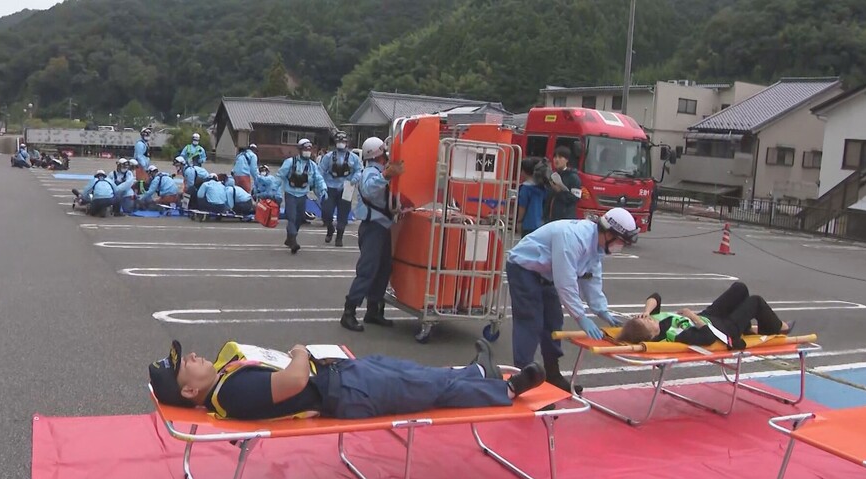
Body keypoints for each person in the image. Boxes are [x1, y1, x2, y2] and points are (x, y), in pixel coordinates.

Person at [149, 339, 546, 420]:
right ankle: (505, 390)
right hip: (343, 391)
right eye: (187, 363)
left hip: (342, 374)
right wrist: (300, 353)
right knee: (425, 389)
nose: (194, 356)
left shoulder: (224, 379)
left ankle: (476, 371)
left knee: (415, 373)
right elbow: (293, 384)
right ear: (189, 390)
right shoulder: (231, 392)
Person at [506, 207, 638, 392]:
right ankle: (522, 379)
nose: (620, 246)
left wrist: (601, 310)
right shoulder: (574, 238)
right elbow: (566, 282)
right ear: (608, 233)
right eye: (620, 241)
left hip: (547, 274)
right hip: (524, 268)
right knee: (530, 322)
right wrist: (581, 317)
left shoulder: (596, 247)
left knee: (553, 322)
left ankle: (553, 374)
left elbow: (591, 279)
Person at [340, 137, 404, 332]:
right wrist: (386, 175)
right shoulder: (370, 172)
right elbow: (368, 188)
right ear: (379, 153)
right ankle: (349, 312)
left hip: (382, 227)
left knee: (384, 268)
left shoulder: (376, 171)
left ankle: (373, 310)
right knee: (368, 270)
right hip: (373, 227)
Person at [616, 282, 794, 348]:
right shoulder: (674, 335)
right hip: (722, 330)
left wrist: (646, 312)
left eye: (646, 319)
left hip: (709, 316)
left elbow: (655, 296)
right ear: (652, 335)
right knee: (755, 301)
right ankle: (779, 328)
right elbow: (708, 337)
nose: (649, 320)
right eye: (648, 322)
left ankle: (747, 328)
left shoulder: (655, 321)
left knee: (740, 289)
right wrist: (692, 317)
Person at [276, 138, 327, 254]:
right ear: (299, 150)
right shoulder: (290, 162)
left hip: (303, 195)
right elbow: (280, 176)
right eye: (305, 149)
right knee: (292, 217)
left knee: (299, 218)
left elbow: (318, 179)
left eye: (310, 149)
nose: (307, 151)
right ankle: (293, 241)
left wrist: (323, 190)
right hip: (290, 194)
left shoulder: (313, 166)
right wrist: (275, 191)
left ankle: (290, 238)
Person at [319, 131, 363, 247]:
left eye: (343, 141)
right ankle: (330, 228)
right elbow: (321, 171)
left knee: (343, 214)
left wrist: (355, 179)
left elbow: (359, 170)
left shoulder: (353, 157)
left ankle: (339, 237)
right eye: (338, 141)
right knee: (326, 211)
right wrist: (320, 185)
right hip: (330, 187)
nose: (340, 144)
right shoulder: (328, 157)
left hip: (347, 187)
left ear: (347, 143)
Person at [542, 146, 581, 223]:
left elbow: (575, 198)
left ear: (567, 160)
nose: (556, 160)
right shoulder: (553, 175)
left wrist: (560, 192)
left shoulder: (573, 177)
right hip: (550, 219)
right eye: (555, 157)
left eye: (560, 157)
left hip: (565, 219)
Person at [515, 158, 547, 237]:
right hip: (541, 223)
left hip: (528, 224)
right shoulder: (542, 187)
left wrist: (519, 221)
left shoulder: (525, 188)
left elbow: (522, 206)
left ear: (523, 171)